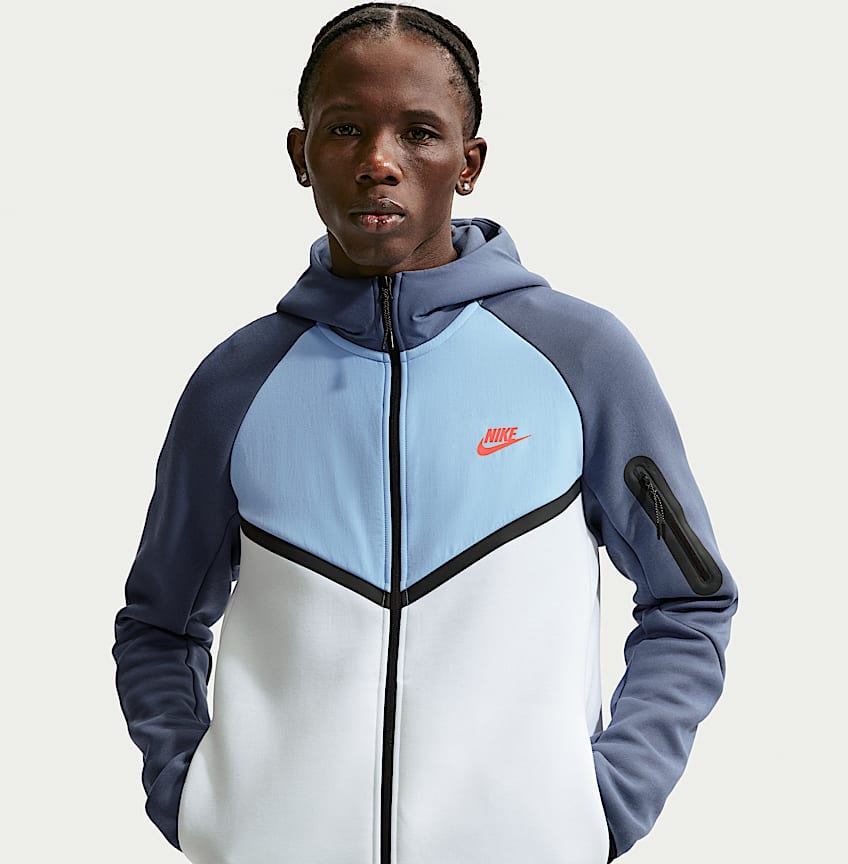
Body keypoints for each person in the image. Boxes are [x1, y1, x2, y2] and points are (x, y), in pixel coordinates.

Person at [112, 4, 738, 863]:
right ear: (300, 155)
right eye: (345, 129)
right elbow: (158, 625)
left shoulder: (582, 359)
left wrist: (606, 803)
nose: (379, 162)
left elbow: (690, 599)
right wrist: (195, 802)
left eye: (418, 133)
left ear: (468, 162)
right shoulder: (236, 385)